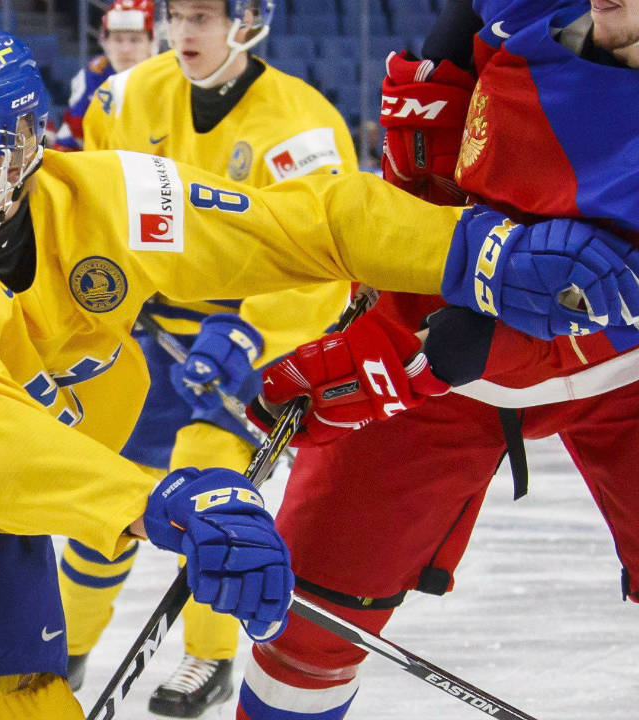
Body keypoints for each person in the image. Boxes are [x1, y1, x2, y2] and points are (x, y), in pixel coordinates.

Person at [0, 28, 639, 720]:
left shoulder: (110, 200)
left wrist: (469, 249)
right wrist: (161, 500)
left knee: (26, 691)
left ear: (26, 148)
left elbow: (300, 226)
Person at [225, 2, 639, 718]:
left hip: (622, 375)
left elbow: (582, 287)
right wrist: (402, 258)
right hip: (453, 318)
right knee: (307, 629)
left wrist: (409, 363)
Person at [60, 1, 358, 713]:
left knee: (211, 483)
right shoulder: (126, 95)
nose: (184, 33)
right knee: (114, 489)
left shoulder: (301, 123)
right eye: (177, 15)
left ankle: (208, 655)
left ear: (245, 21)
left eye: (202, 17)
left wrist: (250, 334)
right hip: (144, 327)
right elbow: (87, 201)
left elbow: (326, 259)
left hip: (248, 341)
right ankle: (64, 642)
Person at [52, 0, 156, 151]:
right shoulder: (92, 75)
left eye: (135, 40)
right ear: (104, 41)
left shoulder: (170, 76)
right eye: (118, 39)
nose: (125, 49)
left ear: (151, 43)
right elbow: (70, 140)